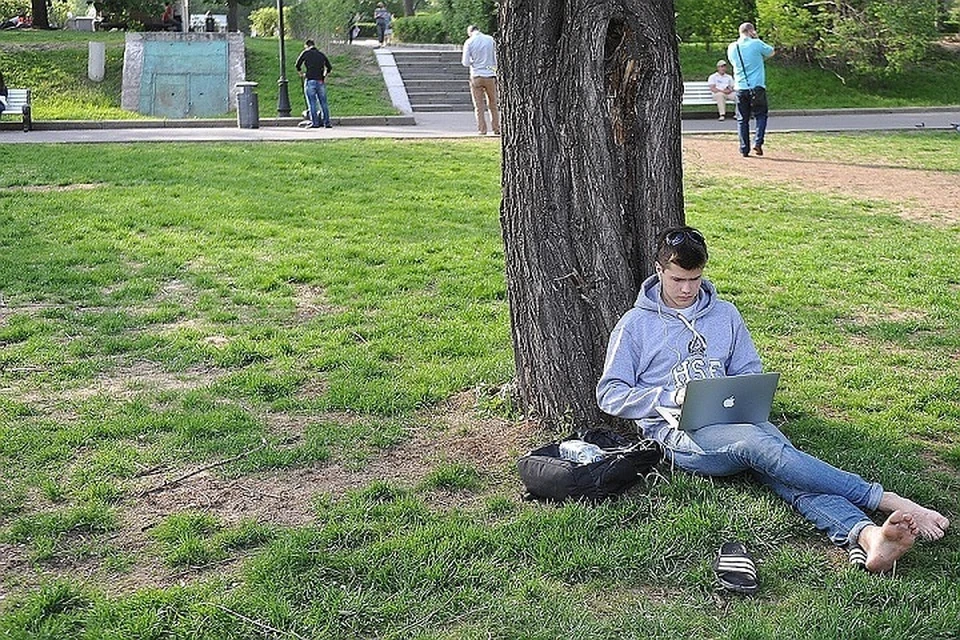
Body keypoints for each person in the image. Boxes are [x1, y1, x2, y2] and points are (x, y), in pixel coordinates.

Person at [596, 226, 950, 573]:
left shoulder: (725, 314)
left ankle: (868, 536)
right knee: (767, 449)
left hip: (732, 416)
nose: (688, 289)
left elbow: (749, 369)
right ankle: (882, 498)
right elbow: (609, 394)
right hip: (677, 433)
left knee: (785, 468)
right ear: (660, 272)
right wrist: (669, 396)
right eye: (678, 280)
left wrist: (738, 392)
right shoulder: (635, 325)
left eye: (696, 279)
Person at [727, 22, 774, 157]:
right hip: (757, 86)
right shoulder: (756, 43)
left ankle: (744, 148)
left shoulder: (732, 47)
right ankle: (757, 142)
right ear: (751, 31)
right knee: (761, 115)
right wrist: (757, 38)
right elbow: (771, 52)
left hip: (740, 87)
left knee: (742, 119)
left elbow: (732, 62)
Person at [461, 25, 500, 136]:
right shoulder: (490, 39)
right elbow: (495, 58)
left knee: (479, 106)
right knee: (493, 103)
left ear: (470, 32)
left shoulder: (469, 42)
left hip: (476, 76)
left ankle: (482, 130)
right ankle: (496, 128)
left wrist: (474, 62)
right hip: (490, 75)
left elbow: (465, 62)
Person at [295, 39, 333, 129]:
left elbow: (297, 65)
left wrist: (301, 74)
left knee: (312, 103)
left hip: (310, 80)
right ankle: (327, 122)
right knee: (323, 103)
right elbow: (329, 67)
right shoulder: (321, 54)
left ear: (306, 45)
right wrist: (324, 76)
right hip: (320, 81)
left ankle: (315, 123)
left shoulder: (306, 53)